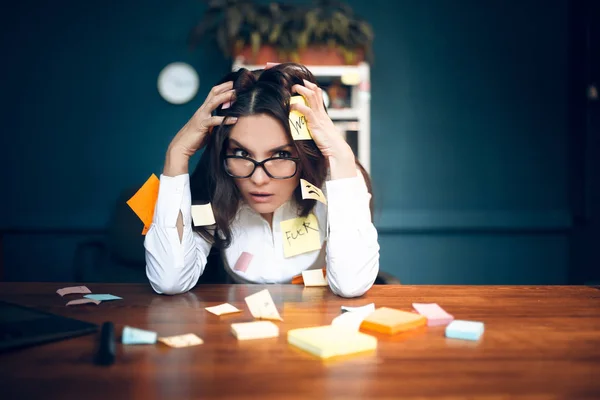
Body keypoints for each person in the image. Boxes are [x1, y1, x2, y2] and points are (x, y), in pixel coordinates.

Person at [144, 62, 379, 298]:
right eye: (241, 153)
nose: (258, 178)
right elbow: (169, 281)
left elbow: (351, 285)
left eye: (281, 155)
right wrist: (177, 153)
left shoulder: (335, 181)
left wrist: (341, 155)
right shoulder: (217, 185)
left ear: (305, 151)